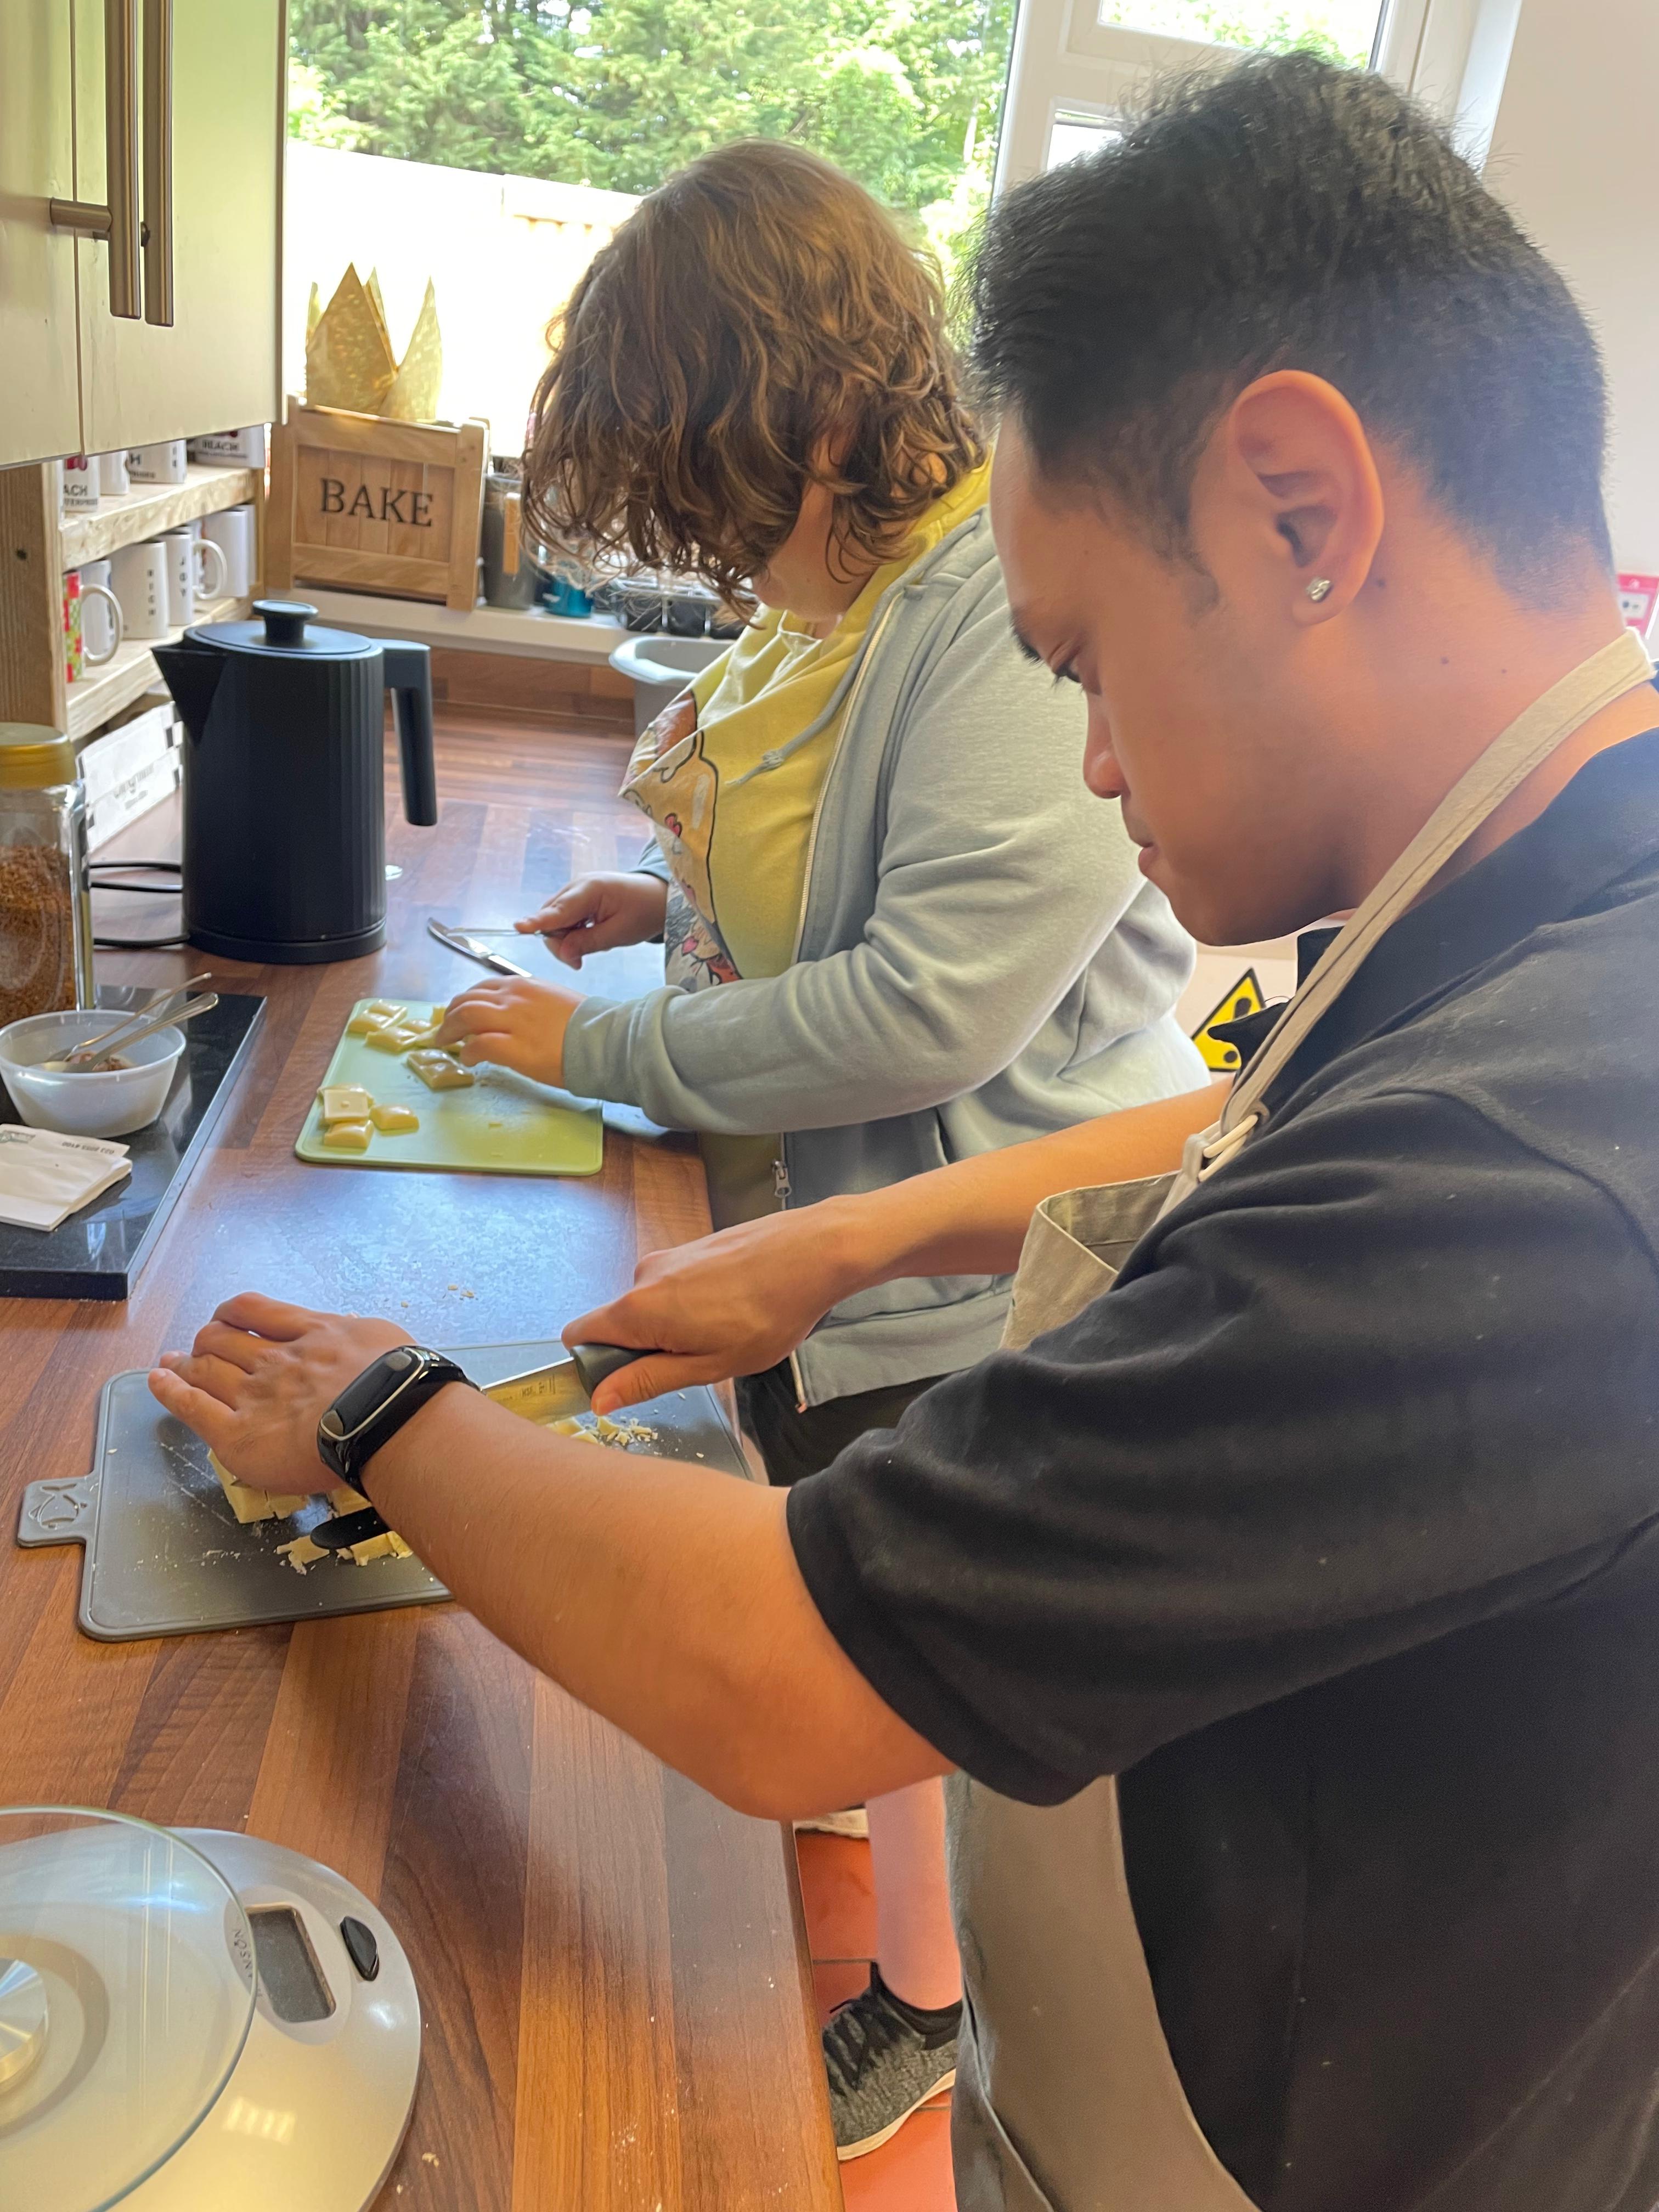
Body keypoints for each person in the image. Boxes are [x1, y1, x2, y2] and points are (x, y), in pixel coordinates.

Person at [151, 54, 1659, 2212]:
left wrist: (382, 1406)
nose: (1102, 773)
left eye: (1089, 662)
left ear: (1302, 514)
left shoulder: (1533, 1173)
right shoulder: (1554, 901)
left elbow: (778, 1669)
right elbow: (1246, 1122)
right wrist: (850, 1244)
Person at [380, 138, 1203, 2159]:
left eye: (718, 494)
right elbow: (849, 901)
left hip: (969, 1259)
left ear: (810, 410)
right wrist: (664, 924)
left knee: (913, 1666)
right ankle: (913, 1916)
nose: (723, 550)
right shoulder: (858, 607)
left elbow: (929, 1005)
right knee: (876, 1623)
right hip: (858, 1248)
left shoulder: (992, 623)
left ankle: (922, 1999)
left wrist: (614, 1046)